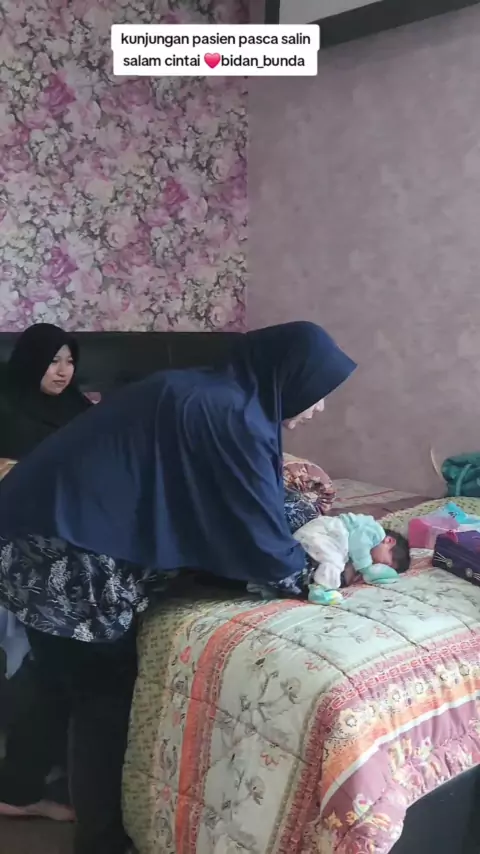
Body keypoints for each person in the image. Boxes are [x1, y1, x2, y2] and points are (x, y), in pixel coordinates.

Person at [0, 320, 356, 854]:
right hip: (67, 549)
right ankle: (101, 843)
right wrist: (316, 571)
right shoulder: (230, 413)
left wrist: (309, 520)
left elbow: (252, 495)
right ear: (289, 375)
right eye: (317, 391)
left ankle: (18, 788)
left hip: (29, 526)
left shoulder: (215, 393)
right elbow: (260, 539)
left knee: (54, 671)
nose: (319, 407)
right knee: (102, 694)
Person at [0, 323, 92, 822]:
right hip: (21, 544)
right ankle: (20, 786)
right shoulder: (7, 411)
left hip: (71, 538)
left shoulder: (81, 410)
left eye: (70, 361)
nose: (63, 372)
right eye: (53, 361)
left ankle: (45, 769)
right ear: (30, 361)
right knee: (46, 658)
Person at [293, 513, 411, 604]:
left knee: (337, 561)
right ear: (389, 541)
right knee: (334, 561)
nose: (376, 566)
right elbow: (359, 545)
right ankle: (321, 590)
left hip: (321, 540)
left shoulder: (359, 552)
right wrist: (365, 568)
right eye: (384, 563)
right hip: (320, 533)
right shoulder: (373, 531)